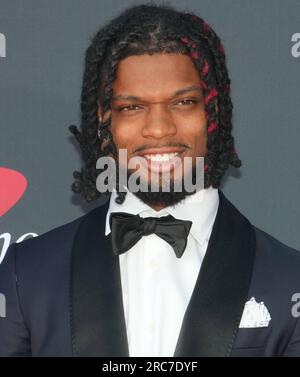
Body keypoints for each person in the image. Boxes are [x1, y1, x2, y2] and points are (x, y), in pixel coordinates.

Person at [0, 3, 299, 357]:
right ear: (104, 121)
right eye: (132, 107)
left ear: (213, 112)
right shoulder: (26, 273)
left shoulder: (288, 279)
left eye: (184, 102)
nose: (159, 128)